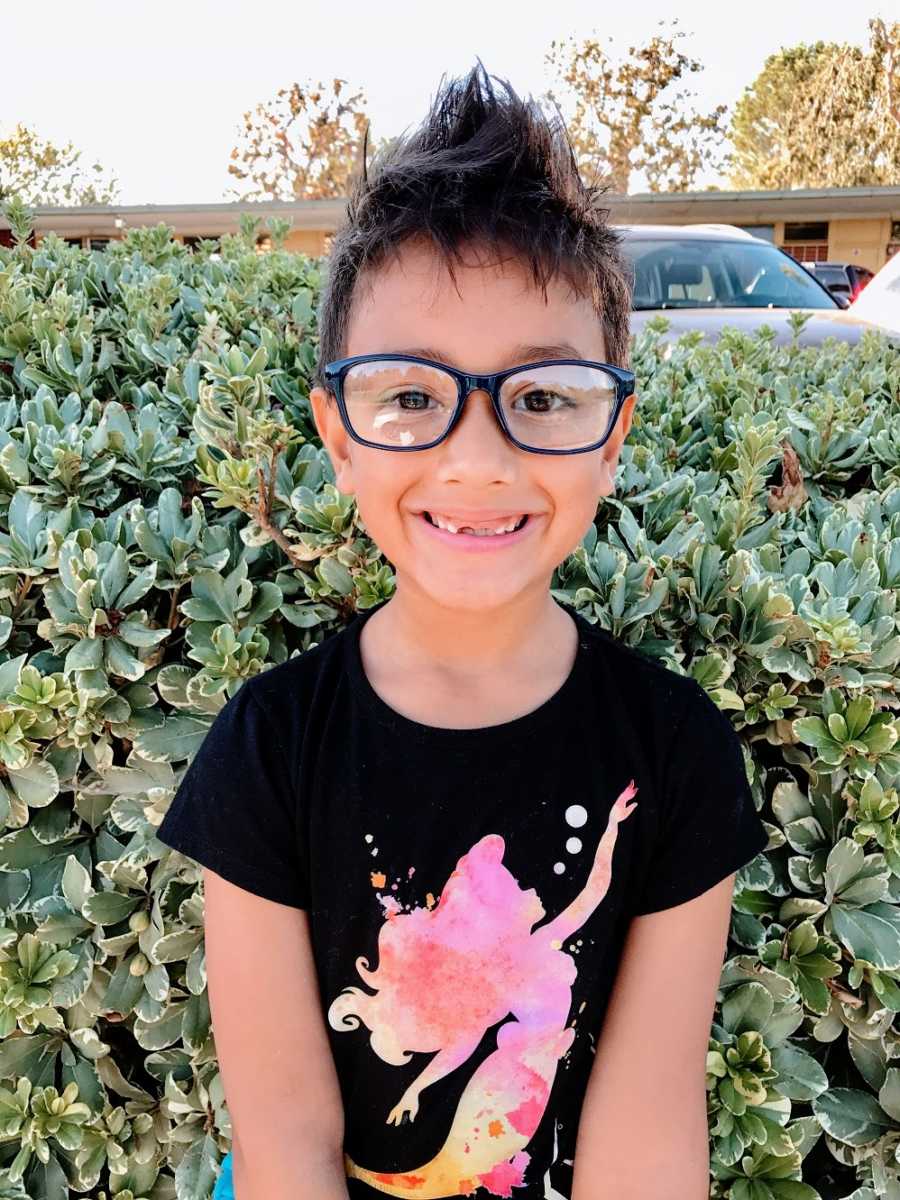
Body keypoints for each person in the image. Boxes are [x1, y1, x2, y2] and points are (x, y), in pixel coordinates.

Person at [156, 61, 768, 1200]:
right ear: (337, 434)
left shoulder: (677, 751)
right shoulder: (267, 746)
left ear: (614, 432)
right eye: (408, 394)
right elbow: (285, 1135)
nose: (476, 459)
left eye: (543, 397)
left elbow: (646, 1134)